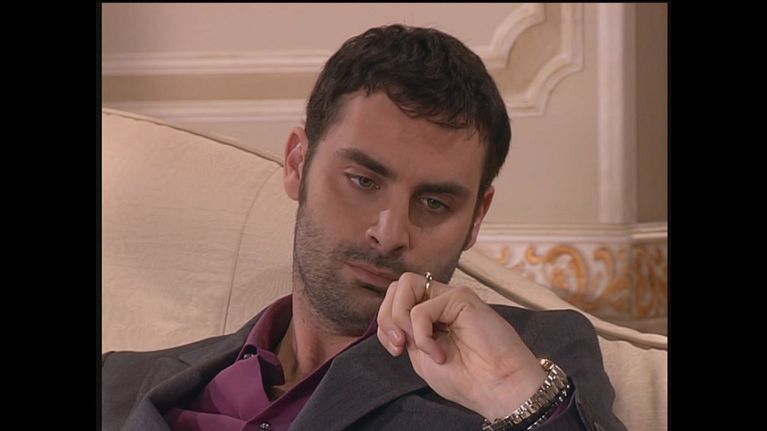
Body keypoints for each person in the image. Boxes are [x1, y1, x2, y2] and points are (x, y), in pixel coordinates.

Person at [102, 24, 627, 431]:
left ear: (477, 219)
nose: (391, 232)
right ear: (297, 164)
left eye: (435, 203)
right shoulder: (121, 379)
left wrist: (516, 394)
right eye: (363, 181)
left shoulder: (537, 358)